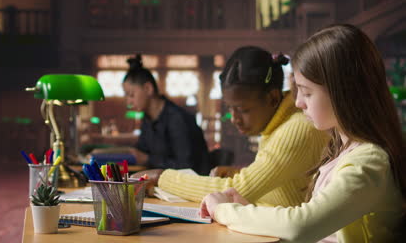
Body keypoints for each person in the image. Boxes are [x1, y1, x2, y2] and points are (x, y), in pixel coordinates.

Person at [200, 24, 406, 242]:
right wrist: (245, 208)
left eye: (307, 93)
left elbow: (300, 226)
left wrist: (224, 210)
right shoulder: (343, 150)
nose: (298, 103)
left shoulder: (369, 162)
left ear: (342, 92)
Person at [136, 46, 328, 207]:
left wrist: (161, 177)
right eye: (230, 109)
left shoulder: (296, 128)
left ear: (273, 98)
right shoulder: (279, 126)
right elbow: (280, 181)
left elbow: (235, 190)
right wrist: (239, 172)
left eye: (242, 109)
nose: (234, 118)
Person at [121, 54, 210, 175]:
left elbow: (186, 166)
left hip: (191, 187)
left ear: (148, 88)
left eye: (131, 95)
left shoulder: (177, 118)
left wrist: (148, 159)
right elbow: (141, 151)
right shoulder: (148, 119)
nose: (129, 102)